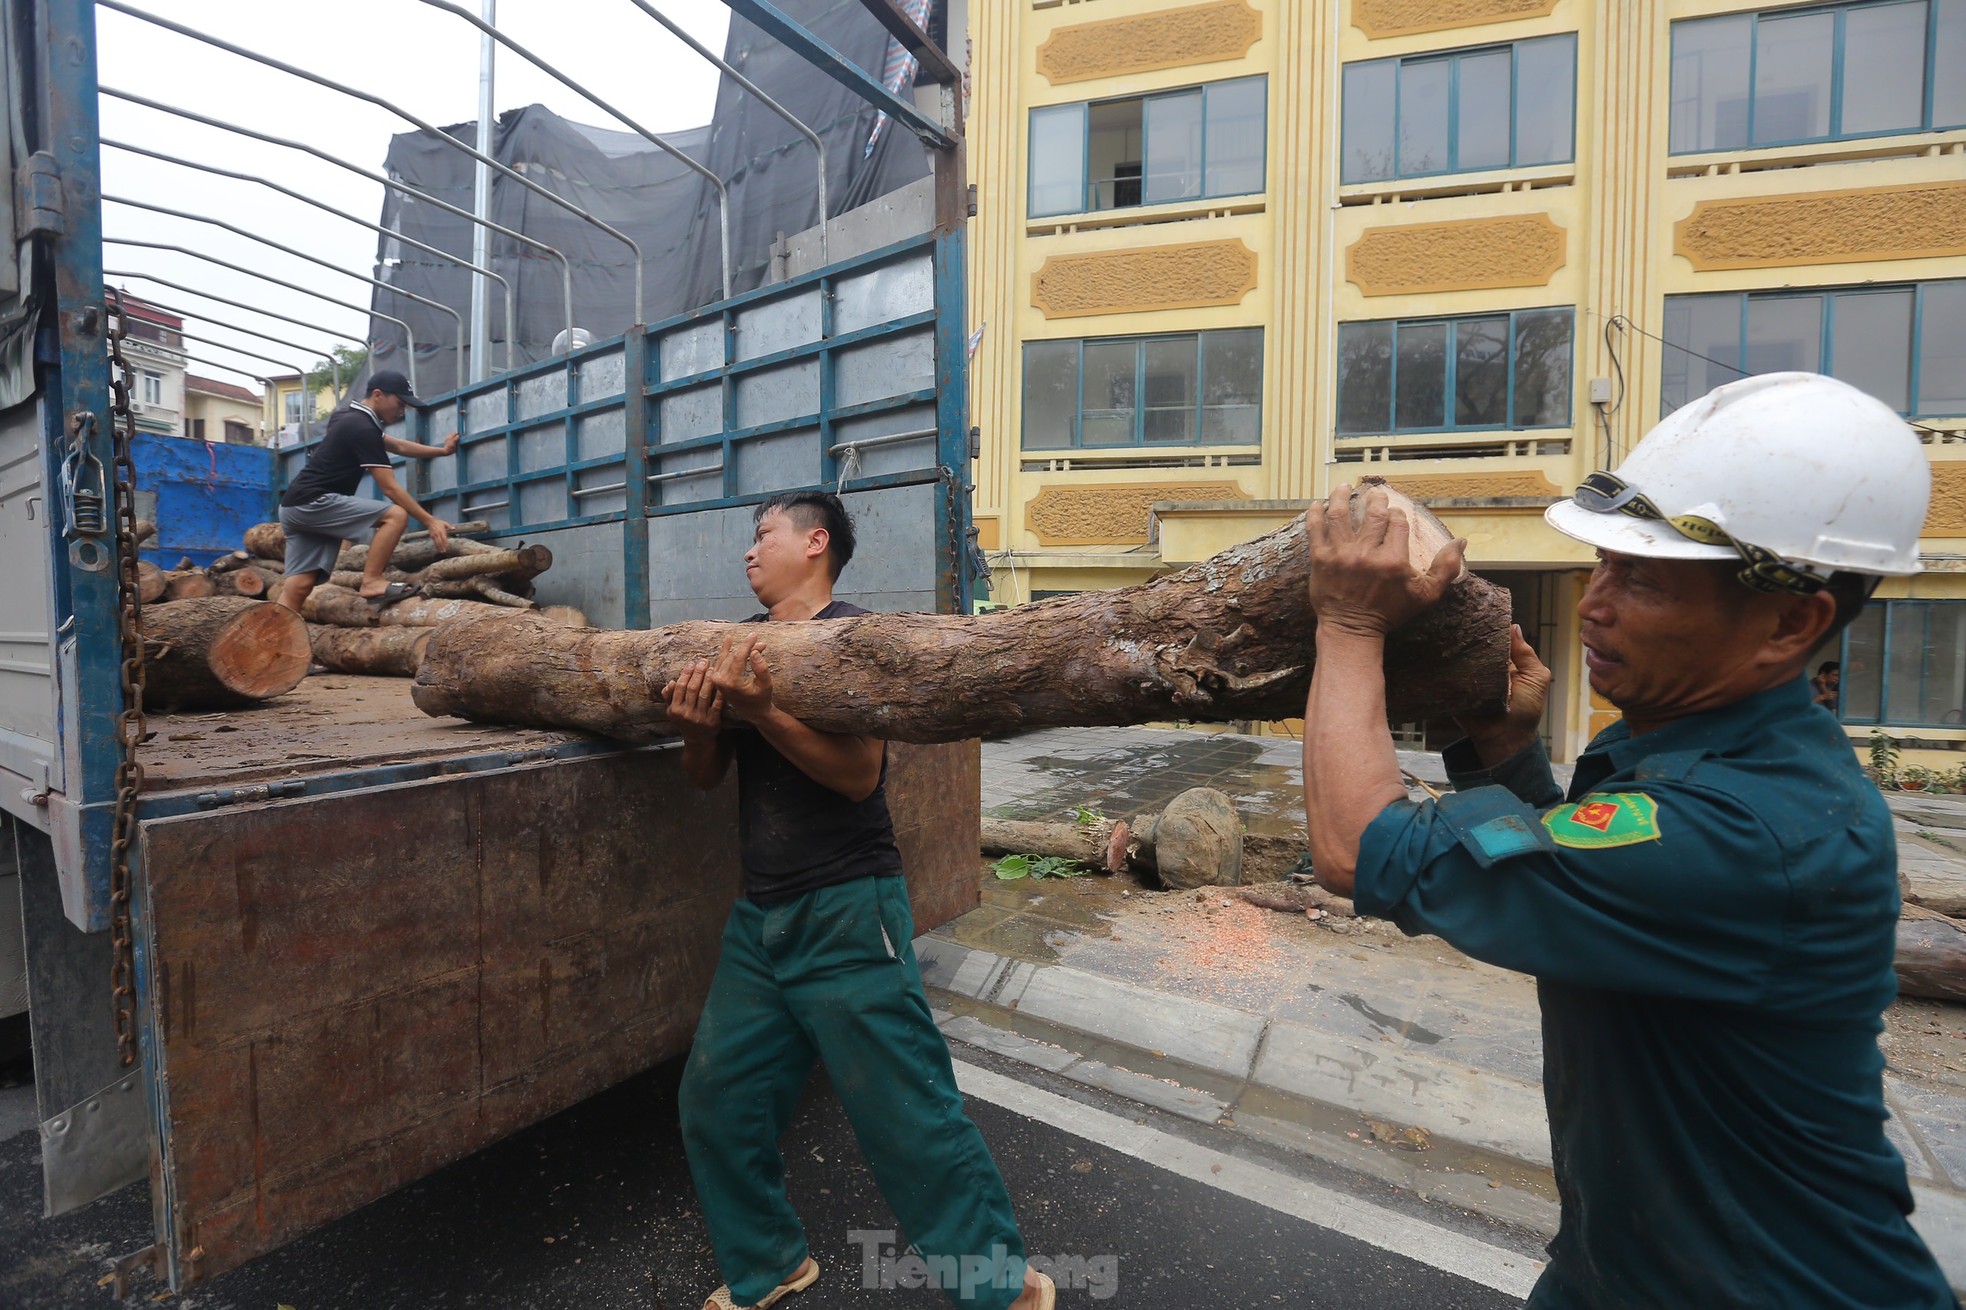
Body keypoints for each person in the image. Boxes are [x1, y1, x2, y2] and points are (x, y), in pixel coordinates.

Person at [1298, 372, 1954, 1308]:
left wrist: (1350, 620)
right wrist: (1505, 751)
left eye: (1641, 577)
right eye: (1604, 562)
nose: (1595, 602)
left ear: (1788, 622)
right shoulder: (1689, 747)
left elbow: (1360, 848)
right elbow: (1571, 866)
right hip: (1630, 1267)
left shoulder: (1747, 830)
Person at [663, 491, 1051, 1310]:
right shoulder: (740, 644)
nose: (748, 549)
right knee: (715, 1101)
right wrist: (702, 724)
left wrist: (764, 710)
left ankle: (1001, 1288)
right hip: (761, 918)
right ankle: (769, 1264)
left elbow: (858, 776)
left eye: (763, 533)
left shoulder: (854, 638)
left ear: (815, 542)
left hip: (846, 908)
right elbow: (706, 778)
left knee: (905, 1112)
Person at [275, 370, 456, 613]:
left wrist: (442, 451)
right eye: (400, 403)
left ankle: (272, 638)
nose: (402, 411)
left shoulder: (347, 418)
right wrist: (430, 520)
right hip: (314, 503)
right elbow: (389, 487)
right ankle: (371, 582)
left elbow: (399, 445)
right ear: (378, 395)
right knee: (395, 515)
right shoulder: (361, 428)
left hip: (294, 506)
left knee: (299, 585)